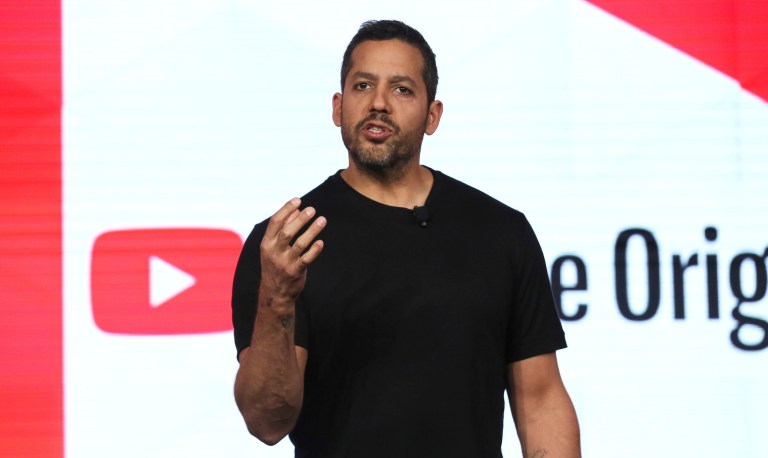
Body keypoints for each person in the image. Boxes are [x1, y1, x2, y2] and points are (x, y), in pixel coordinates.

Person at [232, 19, 580, 458]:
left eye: (401, 89)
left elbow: (542, 401)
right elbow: (267, 422)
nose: (378, 103)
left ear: (432, 115)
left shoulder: (500, 232)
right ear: (338, 108)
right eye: (362, 86)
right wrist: (276, 300)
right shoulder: (287, 243)